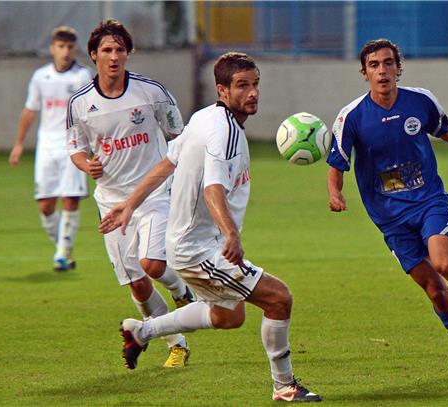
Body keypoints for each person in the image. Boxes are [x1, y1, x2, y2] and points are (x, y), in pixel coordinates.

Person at [99, 52, 322, 402]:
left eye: (255, 84)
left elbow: (166, 163)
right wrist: (231, 233)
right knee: (279, 299)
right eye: (242, 86)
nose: (252, 93)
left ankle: (143, 331)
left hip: (191, 245)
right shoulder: (225, 132)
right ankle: (285, 386)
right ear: (222, 90)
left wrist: (130, 203)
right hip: (198, 249)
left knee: (228, 317)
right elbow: (213, 188)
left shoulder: (203, 118)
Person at [326, 39, 448, 376]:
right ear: (364, 73)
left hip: (428, 201)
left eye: (388, 63)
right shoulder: (352, 117)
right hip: (389, 218)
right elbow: (337, 164)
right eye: (374, 65)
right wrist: (336, 194)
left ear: (398, 68)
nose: (382, 70)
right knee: (435, 290)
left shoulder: (420, 101)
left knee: (445, 264)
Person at [67, 20, 194, 368]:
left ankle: (182, 291)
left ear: (127, 54)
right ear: (93, 55)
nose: (113, 56)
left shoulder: (151, 92)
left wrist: (183, 178)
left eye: (119, 49)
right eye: (106, 50)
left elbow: (178, 135)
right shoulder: (80, 104)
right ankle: (177, 344)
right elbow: (76, 147)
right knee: (137, 286)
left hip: (152, 193)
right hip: (110, 202)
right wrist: (85, 165)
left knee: (152, 264)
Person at [9, 26, 92, 271]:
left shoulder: (83, 77)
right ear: (52, 48)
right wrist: (19, 144)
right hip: (47, 145)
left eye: (69, 47)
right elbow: (30, 109)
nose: (65, 52)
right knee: (45, 205)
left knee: (70, 198)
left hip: (74, 144)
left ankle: (62, 255)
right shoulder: (40, 76)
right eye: (60, 46)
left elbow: (91, 113)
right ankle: (62, 247)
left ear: (74, 48)